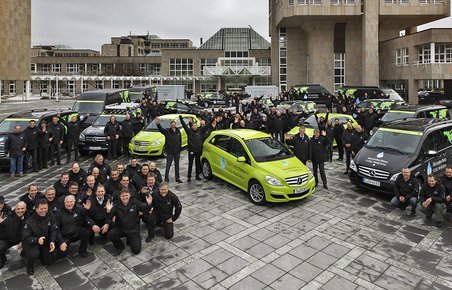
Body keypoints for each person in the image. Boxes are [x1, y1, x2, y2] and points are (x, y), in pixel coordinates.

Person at [106, 189, 153, 256]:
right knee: (111, 234)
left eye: (126, 195)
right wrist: (108, 211)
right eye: (123, 196)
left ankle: (130, 238)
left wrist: (148, 204)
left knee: (136, 250)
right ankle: (120, 247)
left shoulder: (135, 202)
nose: (125, 197)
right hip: (121, 229)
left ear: (130, 195)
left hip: (133, 230)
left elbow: (144, 208)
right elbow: (109, 217)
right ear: (120, 197)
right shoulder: (116, 205)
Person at [22, 199, 57, 275]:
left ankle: (40, 254)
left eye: (45, 208)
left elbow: (53, 229)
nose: (44, 211)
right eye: (41, 209)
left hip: (44, 242)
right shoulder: (29, 221)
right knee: (34, 254)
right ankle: (29, 265)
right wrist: (36, 240)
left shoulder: (50, 216)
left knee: (48, 261)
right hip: (32, 243)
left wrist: (52, 241)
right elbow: (26, 237)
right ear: (36, 209)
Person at [0, 201, 27, 269]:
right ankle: (2, 260)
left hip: (22, 240)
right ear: (15, 209)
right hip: (9, 239)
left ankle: (25, 257)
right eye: (18, 209)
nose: (20, 211)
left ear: (26, 209)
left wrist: (23, 241)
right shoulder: (9, 217)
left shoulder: (29, 218)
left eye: (22, 208)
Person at [156, 117, 182, 183]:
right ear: (170, 125)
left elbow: (180, 140)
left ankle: (177, 178)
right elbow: (161, 130)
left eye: (174, 124)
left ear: (175, 125)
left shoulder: (178, 131)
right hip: (170, 152)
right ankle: (166, 179)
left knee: (177, 165)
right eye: (172, 125)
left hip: (177, 151)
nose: (173, 126)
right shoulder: (167, 131)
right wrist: (158, 124)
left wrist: (179, 149)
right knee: (168, 166)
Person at [179, 115, 203, 182]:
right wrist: (181, 119)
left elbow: (206, 127)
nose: (195, 126)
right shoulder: (189, 132)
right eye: (193, 126)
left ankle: (197, 175)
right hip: (191, 151)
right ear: (191, 127)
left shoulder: (199, 131)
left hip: (198, 151)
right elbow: (184, 126)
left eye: (195, 125)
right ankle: (189, 176)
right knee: (190, 164)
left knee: (197, 163)